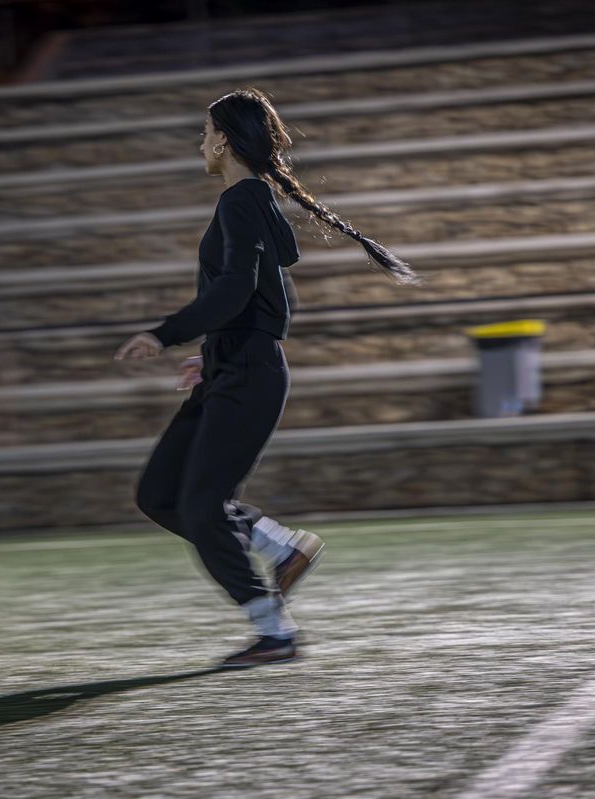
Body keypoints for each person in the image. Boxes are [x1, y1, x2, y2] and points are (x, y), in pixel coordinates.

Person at [115, 88, 418, 668]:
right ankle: (281, 547)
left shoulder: (242, 201)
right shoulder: (250, 201)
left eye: (205, 133)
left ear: (225, 140)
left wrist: (165, 333)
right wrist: (212, 350)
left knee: (203, 505)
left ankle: (273, 630)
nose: (200, 143)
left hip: (249, 374)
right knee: (159, 494)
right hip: (232, 367)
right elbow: (271, 296)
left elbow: (234, 291)